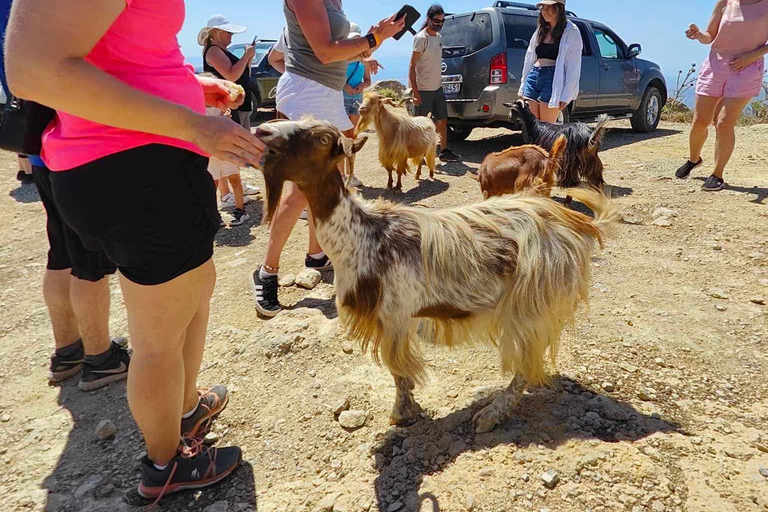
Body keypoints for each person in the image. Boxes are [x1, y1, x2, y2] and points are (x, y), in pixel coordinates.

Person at [6, 0, 265, 502]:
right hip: (134, 166)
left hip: (141, 161)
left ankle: (185, 408)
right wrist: (191, 123)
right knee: (157, 338)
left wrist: (190, 89)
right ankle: (166, 466)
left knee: (193, 294)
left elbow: (119, 55)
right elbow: (35, 70)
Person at [249, 0, 406, 317]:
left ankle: (315, 255)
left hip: (327, 93)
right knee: (297, 192)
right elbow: (323, 51)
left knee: (323, 184)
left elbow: (335, 52)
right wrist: (374, 38)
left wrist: (374, 43)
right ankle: (267, 271)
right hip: (307, 92)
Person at [675, 0, 768, 192]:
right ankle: (694, 159)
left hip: (747, 67)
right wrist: (698, 34)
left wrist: (752, 56)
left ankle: (717, 174)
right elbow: (709, 36)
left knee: (724, 122)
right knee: (700, 121)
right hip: (715, 64)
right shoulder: (725, 2)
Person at [199, 15, 260, 207]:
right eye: (228, 33)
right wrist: (247, 56)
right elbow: (231, 75)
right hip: (227, 105)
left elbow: (241, 73)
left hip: (234, 103)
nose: (231, 37)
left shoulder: (219, 50)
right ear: (216, 33)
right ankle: (227, 194)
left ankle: (232, 189)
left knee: (231, 151)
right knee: (227, 150)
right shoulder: (214, 51)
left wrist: (247, 59)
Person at [409, 4, 461, 162]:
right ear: (429, 19)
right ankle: (418, 154)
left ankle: (443, 150)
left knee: (442, 119)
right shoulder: (420, 38)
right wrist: (415, 91)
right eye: (436, 20)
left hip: (437, 87)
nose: (439, 24)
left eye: (442, 21)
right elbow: (412, 66)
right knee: (420, 124)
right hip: (423, 89)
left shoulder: (439, 38)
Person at [518, 0, 583, 124]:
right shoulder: (540, 31)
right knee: (532, 127)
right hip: (533, 76)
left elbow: (573, 66)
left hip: (552, 79)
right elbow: (529, 58)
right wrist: (523, 85)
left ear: (560, 8)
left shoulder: (571, 31)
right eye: (543, 7)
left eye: (550, 7)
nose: (545, 11)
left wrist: (566, 95)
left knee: (546, 129)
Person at [342, 23, 371, 188]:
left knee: (352, 137)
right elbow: (334, 78)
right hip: (342, 98)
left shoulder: (363, 60)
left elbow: (368, 80)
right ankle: (342, 174)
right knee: (343, 137)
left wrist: (362, 86)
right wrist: (344, 86)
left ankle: (350, 174)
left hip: (357, 99)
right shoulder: (344, 59)